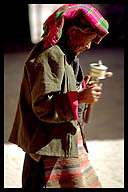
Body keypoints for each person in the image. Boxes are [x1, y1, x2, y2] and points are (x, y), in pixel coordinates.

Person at [8, 4, 110, 188]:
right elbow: (42, 106)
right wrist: (79, 98)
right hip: (47, 149)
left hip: (65, 143)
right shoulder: (49, 55)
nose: (88, 46)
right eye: (89, 39)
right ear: (72, 32)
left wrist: (84, 88)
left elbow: (66, 89)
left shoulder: (67, 53)